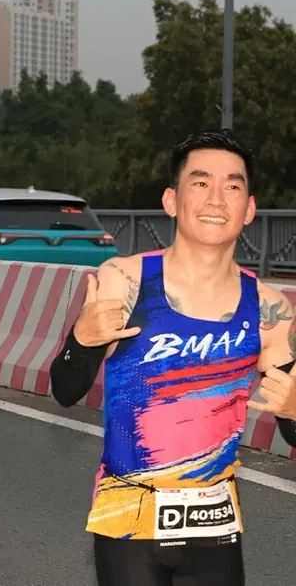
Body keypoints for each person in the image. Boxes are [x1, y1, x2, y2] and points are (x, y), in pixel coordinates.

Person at [49, 130, 296, 586]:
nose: (217, 199)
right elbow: (65, 390)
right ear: (171, 199)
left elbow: (291, 426)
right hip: (127, 513)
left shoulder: (269, 309)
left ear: (250, 209)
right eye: (200, 183)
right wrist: (80, 342)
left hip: (215, 523)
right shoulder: (122, 280)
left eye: (233, 186)